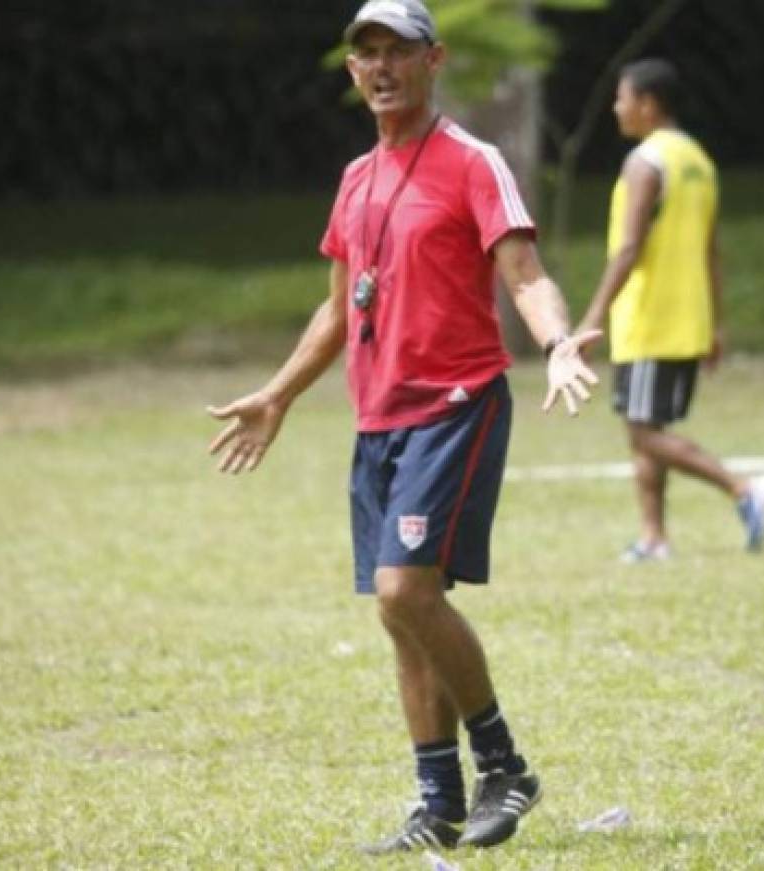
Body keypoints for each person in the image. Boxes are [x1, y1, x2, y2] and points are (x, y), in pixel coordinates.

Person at [206, 0, 600, 854]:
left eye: (397, 51)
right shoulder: (356, 180)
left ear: (435, 61)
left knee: (404, 590)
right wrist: (277, 395)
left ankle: (505, 765)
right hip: (377, 417)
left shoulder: (473, 162)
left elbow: (524, 272)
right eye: (366, 54)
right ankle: (438, 800)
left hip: (455, 403)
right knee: (401, 613)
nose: (380, 66)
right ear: (353, 72)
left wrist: (559, 344)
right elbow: (340, 309)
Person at [575, 58, 764, 563]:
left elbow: (628, 248)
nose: (617, 108)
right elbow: (711, 250)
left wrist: (593, 315)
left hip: (650, 317)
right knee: (646, 429)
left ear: (647, 104)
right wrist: (716, 323)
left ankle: (743, 488)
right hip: (687, 318)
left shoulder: (647, 163)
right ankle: (653, 538)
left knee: (644, 432)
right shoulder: (697, 161)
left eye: (622, 98)